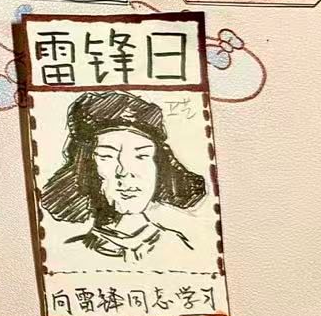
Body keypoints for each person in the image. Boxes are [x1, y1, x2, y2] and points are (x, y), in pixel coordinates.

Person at [39, 91, 208, 264]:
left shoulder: (180, 248)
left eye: (142, 156)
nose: (126, 171)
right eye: (107, 156)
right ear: (85, 167)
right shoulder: (69, 255)